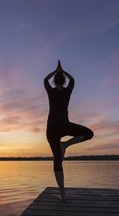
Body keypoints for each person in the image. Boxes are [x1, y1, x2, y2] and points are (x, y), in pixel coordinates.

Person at [44, 60, 94, 202]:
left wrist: (56, 71)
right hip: (64, 125)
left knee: (57, 160)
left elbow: (45, 80)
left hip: (51, 128)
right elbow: (72, 79)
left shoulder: (50, 91)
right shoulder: (67, 91)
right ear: (64, 80)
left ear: (54, 81)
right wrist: (62, 71)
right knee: (89, 133)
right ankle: (65, 144)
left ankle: (62, 193)